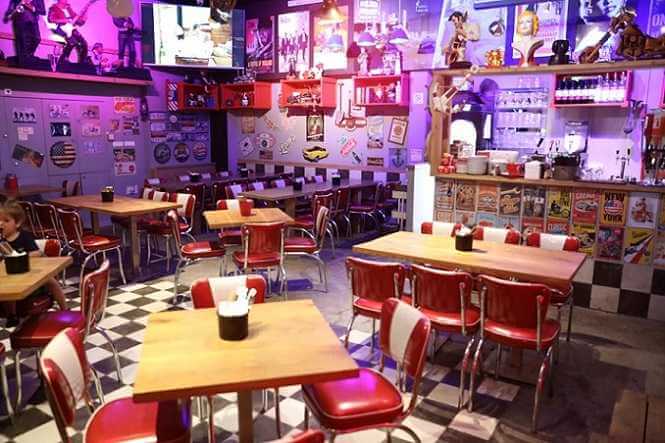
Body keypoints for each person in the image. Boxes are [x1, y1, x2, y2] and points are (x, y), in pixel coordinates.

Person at [0, 200, 67, 327]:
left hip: (30, 271)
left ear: (17, 223)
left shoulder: (24, 236)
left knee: (51, 281)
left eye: (6, 221)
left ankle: (64, 307)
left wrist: (22, 257)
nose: (1, 224)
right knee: (7, 289)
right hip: (11, 274)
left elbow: (36, 253)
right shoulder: (2, 241)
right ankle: (11, 315)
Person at [2, 0, 46, 65]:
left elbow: (43, 11)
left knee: (37, 39)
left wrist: (30, 6)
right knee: (22, 42)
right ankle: (23, 61)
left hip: (33, 22)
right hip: (20, 22)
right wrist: (9, 15)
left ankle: (27, 57)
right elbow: (11, 9)